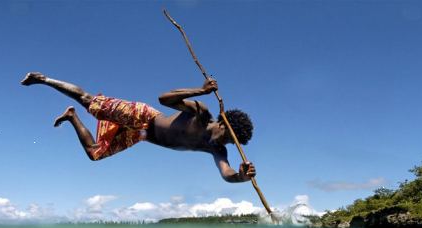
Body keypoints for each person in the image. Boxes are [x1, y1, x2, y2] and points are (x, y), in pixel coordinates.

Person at [21, 72, 256, 183]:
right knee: (88, 101)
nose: (226, 145)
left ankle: (71, 117)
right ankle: (43, 80)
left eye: (232, 145)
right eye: (228, 139)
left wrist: (241, 177)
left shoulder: (217, 150)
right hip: (142, 116)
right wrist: (200, 91)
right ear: (224, 125)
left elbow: (227, 174)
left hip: (140, 135)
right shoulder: (201, 114)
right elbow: (164, 99)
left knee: (95, 154)